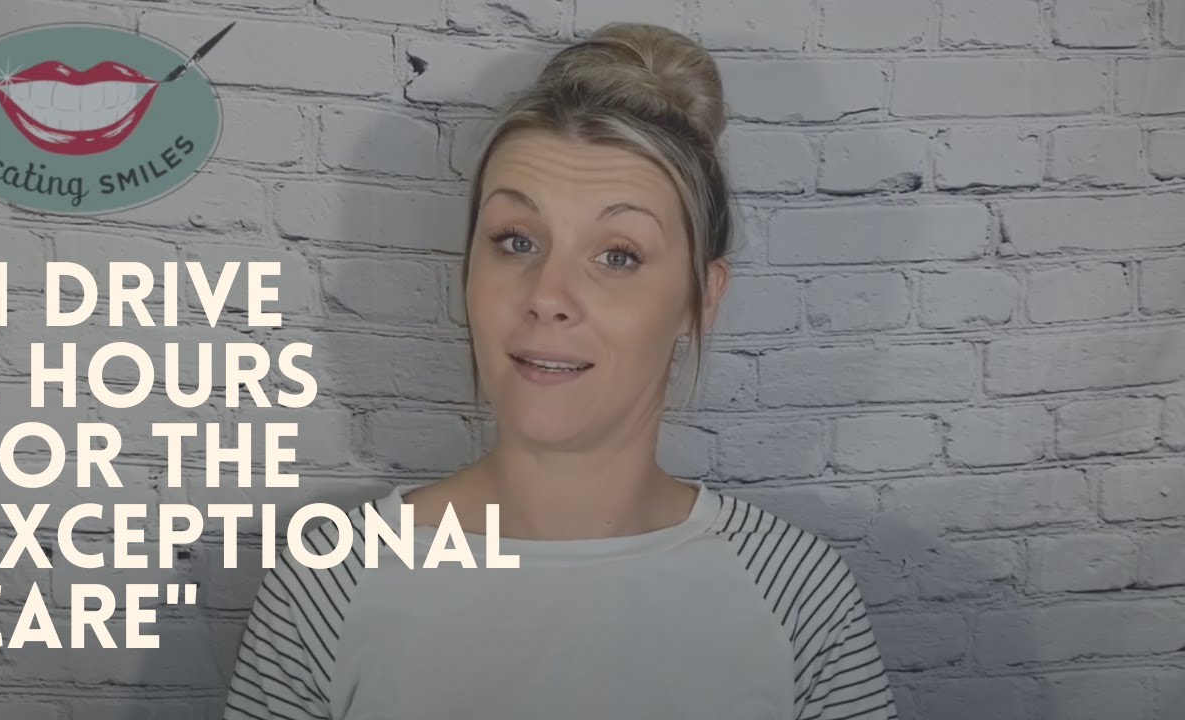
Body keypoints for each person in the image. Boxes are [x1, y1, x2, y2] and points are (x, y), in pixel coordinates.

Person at [222, 22, 898, 720]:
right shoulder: (331, 582)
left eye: (618, 256)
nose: (547, 295)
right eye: (517, 241)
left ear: (699, 300)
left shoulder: (796, 595)